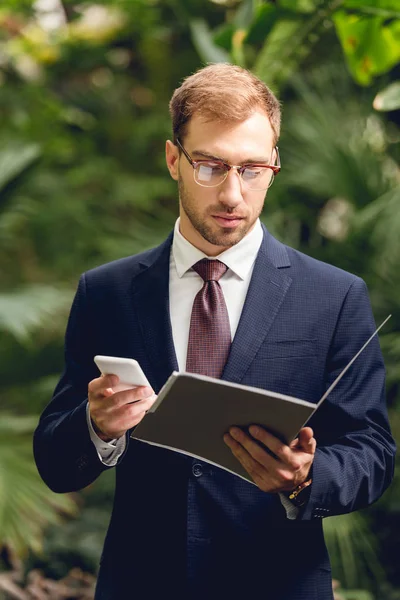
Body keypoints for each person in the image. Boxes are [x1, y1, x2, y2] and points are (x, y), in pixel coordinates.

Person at [33, 64, 396, 600]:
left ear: (274, 168)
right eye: (210, 166)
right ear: (173, 160)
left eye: (252, 169)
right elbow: (56, 461)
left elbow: (372, 450)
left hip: (278, 585)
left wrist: (305, 476)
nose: (232, 194)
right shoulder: (106, 293)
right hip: (140, 585)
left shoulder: (335, 296)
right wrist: (95, 426)